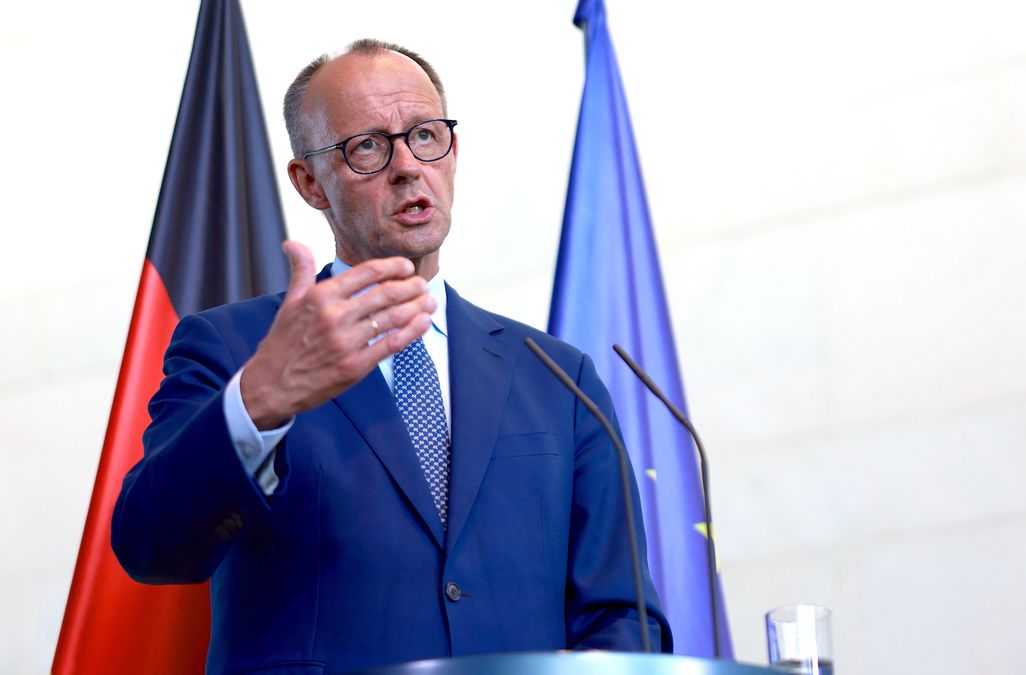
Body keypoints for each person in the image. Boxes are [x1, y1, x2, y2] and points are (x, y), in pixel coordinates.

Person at [112, 38, 670, 674]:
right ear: (309, 183)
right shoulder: (233, 347)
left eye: (425, 135)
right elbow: (151, 546)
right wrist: (260, 399)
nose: (408, 166)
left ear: (452, 151)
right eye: (368, 147)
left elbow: (620, 614)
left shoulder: (557, 376)